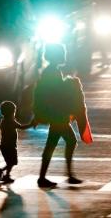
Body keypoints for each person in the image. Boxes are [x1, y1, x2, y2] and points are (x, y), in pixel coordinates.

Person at [33, 44, 87, 188]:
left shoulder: (51, 71)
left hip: (55, 114)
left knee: (53, 144)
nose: (64, 55)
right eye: (62, 53)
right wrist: (70, 84)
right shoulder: (52, 72)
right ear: (56, 56)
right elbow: (55, 92)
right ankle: (65, 176)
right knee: (68, 141)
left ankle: (48, 176)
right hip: (57, 114)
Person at [0, 101, 34, 184]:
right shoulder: (11, 121)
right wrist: (32, 124)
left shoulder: (4, 121)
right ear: (12, 112)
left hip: (4, 145)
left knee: (10, 162)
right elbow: (22, 127)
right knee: (12, 162)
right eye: (14, 111)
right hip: (10, 146)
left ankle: (6, 176)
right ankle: (1, 171)